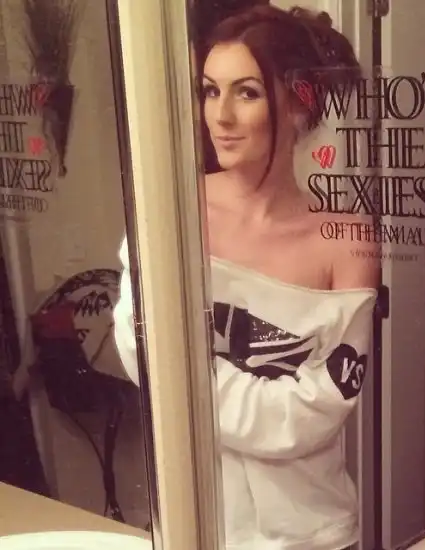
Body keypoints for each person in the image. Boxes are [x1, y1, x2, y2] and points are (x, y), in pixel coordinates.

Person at [114, 5, 380, 550]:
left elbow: (314, 414)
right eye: (210, 91)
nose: (220, 116)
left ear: (300, 104)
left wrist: (191, 380)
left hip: (313, 534)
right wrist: (245, 396)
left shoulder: (345, 239)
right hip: (195, 520)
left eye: (247, 93)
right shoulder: (172, 205)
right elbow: (137, 345)